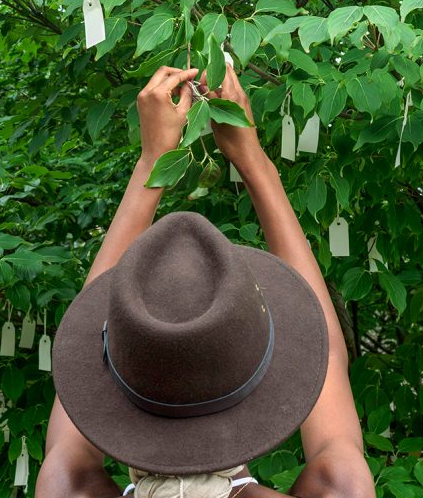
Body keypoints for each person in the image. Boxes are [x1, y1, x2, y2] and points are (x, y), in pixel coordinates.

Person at [35, 64, 376, 498]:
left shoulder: (69, 488)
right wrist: (252, 159)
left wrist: (153, 162)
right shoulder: (339, 490)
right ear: (259, 371)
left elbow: (82, 346)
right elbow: (324, 349)